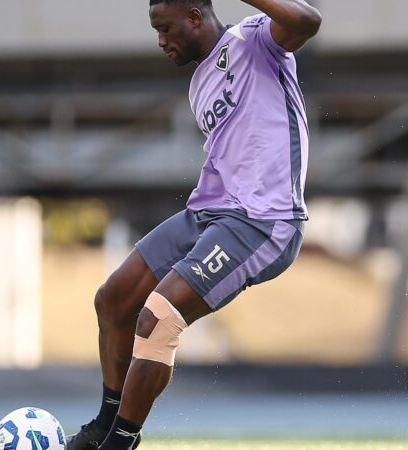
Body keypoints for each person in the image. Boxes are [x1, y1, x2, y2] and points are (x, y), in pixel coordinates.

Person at [66, 0, 321, 449]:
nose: (161, 40)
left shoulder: (255, 39)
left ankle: (120, 443)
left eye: (164, 28)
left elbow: (306, 20)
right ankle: (103, 426)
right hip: (209, 213)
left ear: (195, 17)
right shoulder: (199, 84)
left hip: (264, 221)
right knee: (114, 299)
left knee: (158, 318)